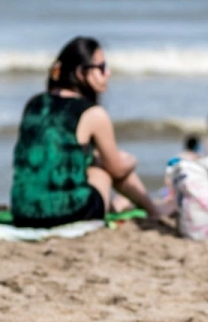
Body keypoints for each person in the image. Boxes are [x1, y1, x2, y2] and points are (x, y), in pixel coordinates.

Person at [10, 36, 165, 227]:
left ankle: (127, 205)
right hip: (67, 213)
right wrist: (131, 161)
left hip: (22, 212)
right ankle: (153, 210)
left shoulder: (34, 104)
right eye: (101, 68)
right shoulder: (93, 113)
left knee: (97, 161)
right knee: (106, 169)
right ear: (80, 73)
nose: (108, 73)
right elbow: (116, 169)